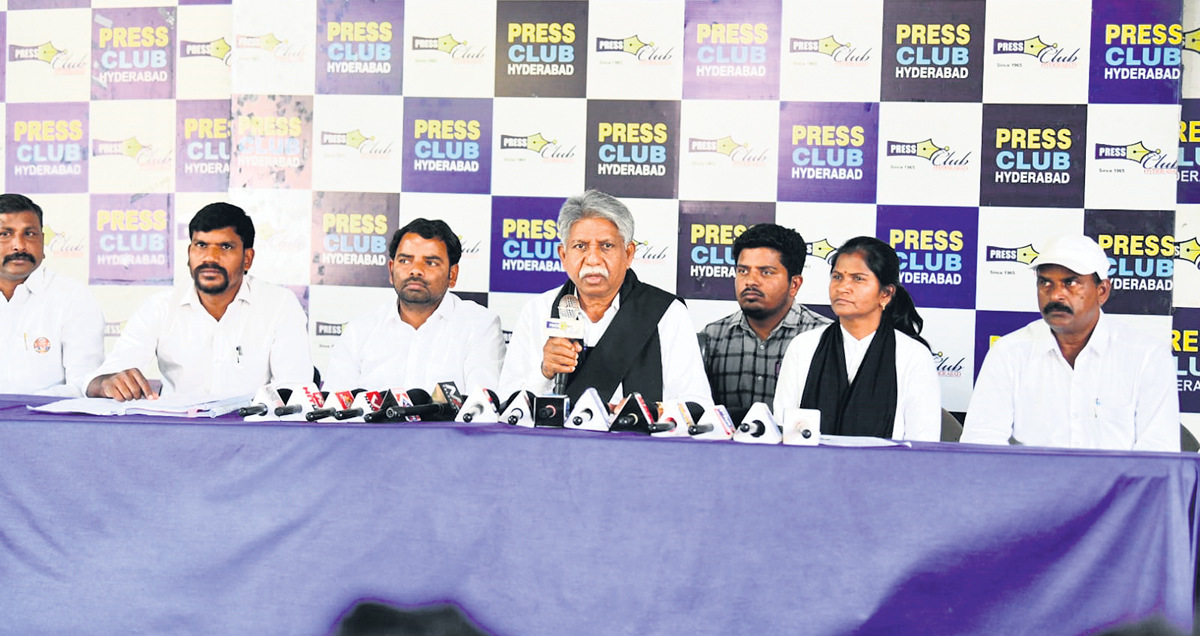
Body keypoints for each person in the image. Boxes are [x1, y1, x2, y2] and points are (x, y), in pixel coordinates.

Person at [962, 234, 1178, 451]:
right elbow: (981, 442)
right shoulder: (1009, 352)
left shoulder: (1147, 357)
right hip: (1029, 475)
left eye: (1071, 283)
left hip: (1121, 476)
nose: (1056, 295)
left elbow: (1158, 454)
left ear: (1102, 291)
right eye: (1045, 282)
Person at [499, 190, 711, 406]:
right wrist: (544, 373)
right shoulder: (538, 310)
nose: (593, 259)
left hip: (636, 428)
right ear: (563, 255)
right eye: (580, 246)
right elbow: (506, 404)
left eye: (606, 246)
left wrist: (643, 412)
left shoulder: (666, 312)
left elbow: (697, 403)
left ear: (628, 254)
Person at [86, 203, 312, 401]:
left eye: (225, 247)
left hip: (252, 431)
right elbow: (104, 378)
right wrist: (108, 383)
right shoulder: (160, 307)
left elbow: (294, 388)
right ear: (189, 253)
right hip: (177, 431)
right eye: (201, 245)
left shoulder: (279, 305)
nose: (210, 257)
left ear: (247, 258)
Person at [774, 236, 940, 441]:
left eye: (858, 278)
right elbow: (783, 429)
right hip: (809, 461)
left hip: (888, 463)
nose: (843, 287)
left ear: (886, 294)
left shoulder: (913, 356)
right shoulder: (804, 346)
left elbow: (923, 443)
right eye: (837, 277)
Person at [323, 218, 505, 394]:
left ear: (452, 275)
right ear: (391, 270)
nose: (415, 270)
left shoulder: (479, 326)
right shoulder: (359, 331)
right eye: (405, 261)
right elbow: (336, 407)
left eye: (431, 262)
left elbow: (481, 407)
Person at [701, 223, 831, 412]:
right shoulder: (712, 337)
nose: (750, 281)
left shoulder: (823, 337)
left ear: (794, 284)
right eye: (743, 271)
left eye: (766, 272)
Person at [0, 194, 104, 396]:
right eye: (5, 234)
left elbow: (84, 385)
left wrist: (20, 408)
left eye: (29, 234)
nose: (19, 245)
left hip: (43, 415)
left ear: (42, 241)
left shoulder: (72, 297)